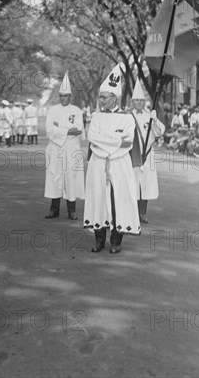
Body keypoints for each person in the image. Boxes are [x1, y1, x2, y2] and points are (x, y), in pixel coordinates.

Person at [84, 64, 140, 254]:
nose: (101, 100)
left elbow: (129, 141)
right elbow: (92, 137)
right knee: (98, 198)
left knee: (118, 200)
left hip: (119, 163)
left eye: (104, 97)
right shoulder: (96, 117)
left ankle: (116, 240)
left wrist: (106, 144)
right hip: (98, 162)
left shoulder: (127, 118)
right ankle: (99, 239)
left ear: (114, 98)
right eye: (100, 97)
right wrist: (116, 140)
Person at [44, 72, 85, 220]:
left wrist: (60, 128)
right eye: (61, 95)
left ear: (70, 96)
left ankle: (72, 210)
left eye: (65, 96)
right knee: (55, 177)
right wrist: (68, 129)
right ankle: (54, 209)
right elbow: (50, 130)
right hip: (55, 149)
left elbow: (78, 129)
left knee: (71, 178)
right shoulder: (53, 110)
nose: (63, 98)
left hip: (72, 149)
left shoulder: (76, 111)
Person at [129, 78, 165, 224]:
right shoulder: (127, 116)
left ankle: (142, 213)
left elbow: (160, 132)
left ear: (144, 102)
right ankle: (131, 213)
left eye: (141, 100)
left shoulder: (149, 115)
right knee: (132, 184)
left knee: (145, 184)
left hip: (148, 154)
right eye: (136, 100)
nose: (139, 103)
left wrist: (155, 120)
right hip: (133, 155)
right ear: (132, 102)